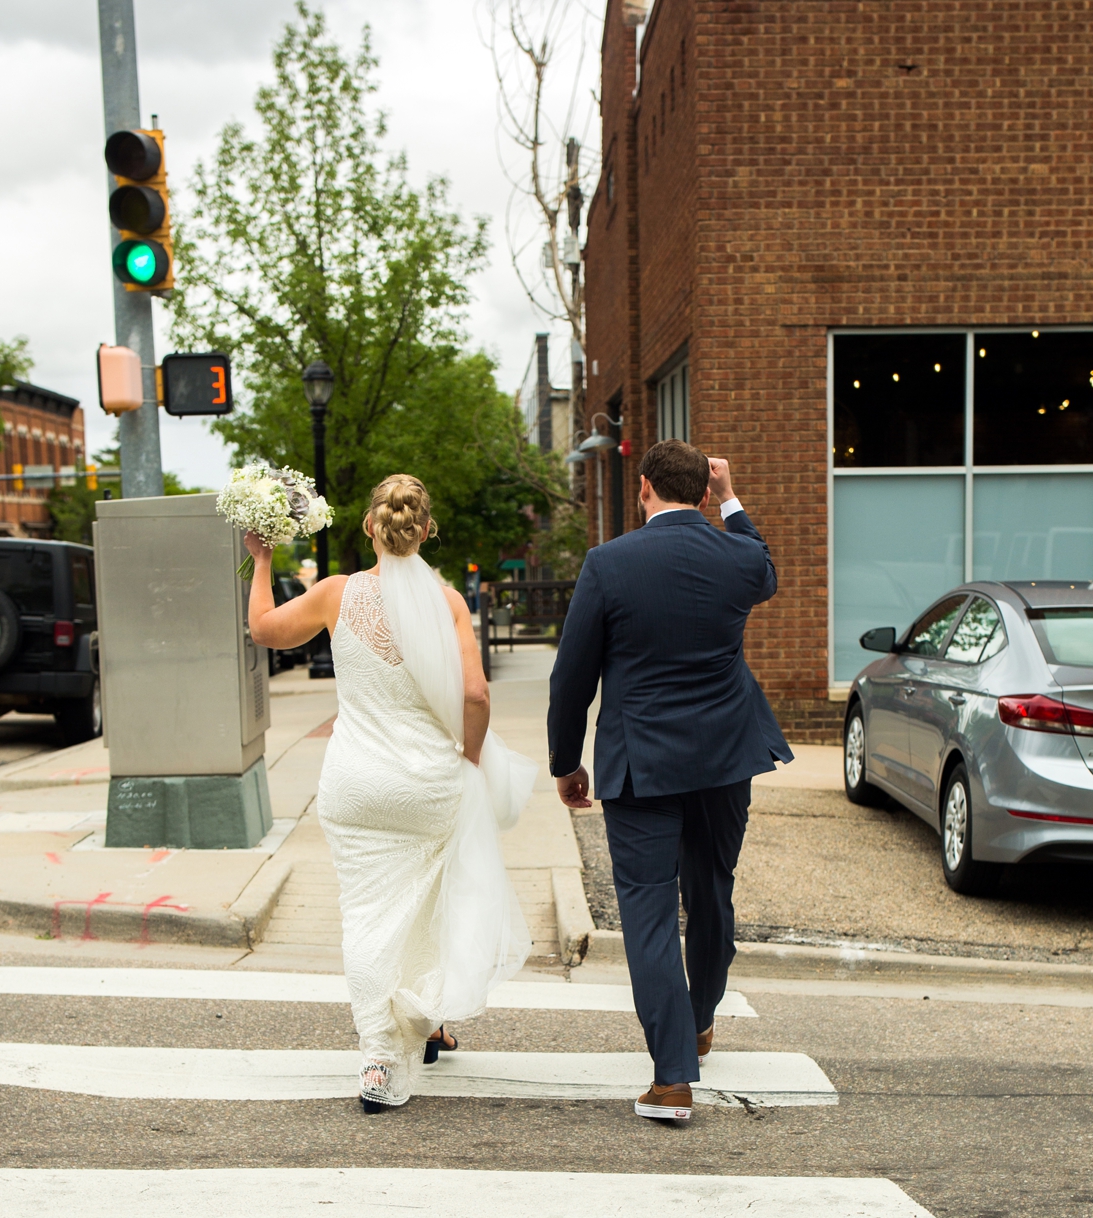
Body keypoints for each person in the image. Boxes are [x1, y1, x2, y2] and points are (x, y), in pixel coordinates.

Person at [245, 475, 535, 1110]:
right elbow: (476, 696)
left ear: (369, 528)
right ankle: (425, 1012)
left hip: (356, 786)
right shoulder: (450, 603)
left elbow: (264, 628)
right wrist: (470, 753)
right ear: (426, 531)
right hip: (427, 785)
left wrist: (263, 557)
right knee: (432, 907)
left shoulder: (334, 595)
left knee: (368, 919)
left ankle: (379, 1057)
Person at [545, 441, 792, 1125]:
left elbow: (573, 678)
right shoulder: (738, 556)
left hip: (642, 763)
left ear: (644, 486)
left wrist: (567, 762)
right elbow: (765, 568)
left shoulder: (610, 564)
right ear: (706, 492)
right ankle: (701, 1020)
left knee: (650, 913)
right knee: (712, 892)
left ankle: (674, 1076)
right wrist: (733, 495)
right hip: (725, 760)